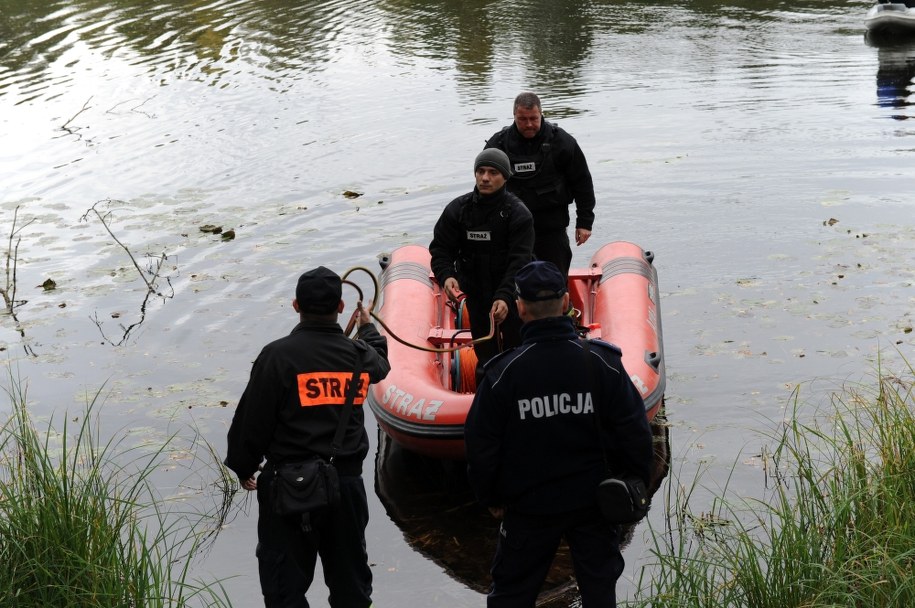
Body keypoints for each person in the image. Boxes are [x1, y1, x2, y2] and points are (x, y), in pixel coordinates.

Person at [464, 260, 653, 608]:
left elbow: (481, 446)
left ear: (520, 308)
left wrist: (489, 497)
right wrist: (635, 480)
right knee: (599, 592)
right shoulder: (604, 363)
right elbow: (635, 433)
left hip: (529, 505)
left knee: (512, 593)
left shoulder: (503, 374)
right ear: (567, 302)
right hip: (594, 502)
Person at [224, 266, 390, 608]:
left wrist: (244, 467)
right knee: (351, 589)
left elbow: (252, 422)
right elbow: (382, 365)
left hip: (288, 487)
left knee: (284, 589)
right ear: (341, 308)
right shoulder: (358, 356)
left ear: (295, 305)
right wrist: (368, 327)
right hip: (344, 486)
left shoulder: (277, 356)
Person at [429, 148, 535, 380]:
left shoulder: (519, 214)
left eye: (493, 172)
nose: (485, 177)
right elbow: (440, 249)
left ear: (505, 177)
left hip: (512, 296)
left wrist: (506, 297)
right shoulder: (458, 210)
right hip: (476, 295)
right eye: (481, 171)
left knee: (517, 351)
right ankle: (487, 390)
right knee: (485, 355)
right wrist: (446, 275)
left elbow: (520, 261)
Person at [484, 92, 596, 277]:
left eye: (533, 118)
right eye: (522, 119)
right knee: (512, 278)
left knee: (555, 277)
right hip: (512, 228)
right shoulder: (499, 144)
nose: (529, 124)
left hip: (551, 227)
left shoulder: (562, 142)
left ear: (541, 114)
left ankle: (560, 304)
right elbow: (484, 187)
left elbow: (582, 182)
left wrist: (585, 222)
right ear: (514, 116)